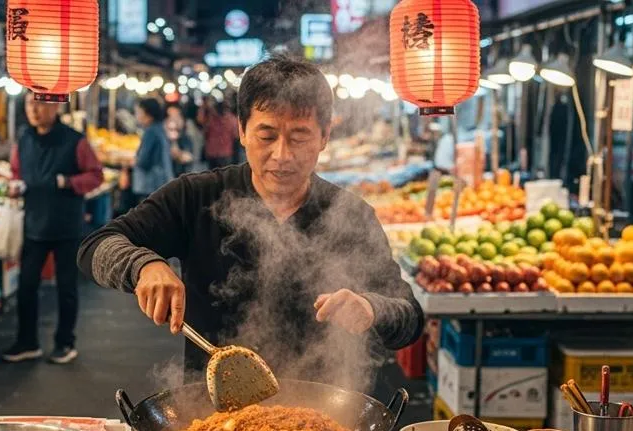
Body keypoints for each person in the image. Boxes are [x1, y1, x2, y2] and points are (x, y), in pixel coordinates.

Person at [78, 55, 423, 384]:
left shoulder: (351, 215)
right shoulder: (195, 197)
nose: (282, 155)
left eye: (299, 136)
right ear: (242, 131)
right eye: (267, 135)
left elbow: (410, 317)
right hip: (208, 416)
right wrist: (142, 265)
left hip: (323, 417)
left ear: (324, 137)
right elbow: (95, 247)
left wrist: (372, 308)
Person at [3, 92, 104, 364]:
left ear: (55, 106)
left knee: (66, 287)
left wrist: (68, 182)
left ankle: (65, 342)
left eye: (41, 104)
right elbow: (16, 170)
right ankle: (27, 342)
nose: (34, 110)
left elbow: (96, 176)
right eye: (30, 104)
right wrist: (14, 185)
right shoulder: (23, 139)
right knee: (26, 286)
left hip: (66, 225)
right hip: (34, 223)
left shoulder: (75, 140)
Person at [130, 98, 174, 203]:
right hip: (162, 182)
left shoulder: (150, 132)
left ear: (148, 115)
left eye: (139, 112)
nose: (137, 116)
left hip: (151, 184)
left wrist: (133, 161)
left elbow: (143, 160)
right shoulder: (159, 128)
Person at [200, 98, 239, 169]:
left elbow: (204, 131)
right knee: (225, 175)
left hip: (211, 151)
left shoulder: (210, 119)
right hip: (226, 152)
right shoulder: (232, 120)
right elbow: (236, 135)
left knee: (212, 175)